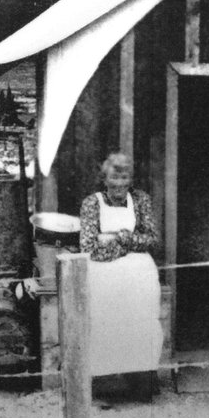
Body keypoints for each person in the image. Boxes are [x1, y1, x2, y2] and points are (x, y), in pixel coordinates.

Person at [79, 152, 163, 386]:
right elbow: (90, 248)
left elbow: (153, 239)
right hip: (103, 276)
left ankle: (141, 381)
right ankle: (105, 383)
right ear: (104, 180)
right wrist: (127, 244)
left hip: (139, 277)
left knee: (141, 323)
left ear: (131, 180)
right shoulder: (91, 203)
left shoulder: (141, 200)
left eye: (124, 178)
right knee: (105, 324)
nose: (119, 183)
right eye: (113, 178)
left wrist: (120, 238)